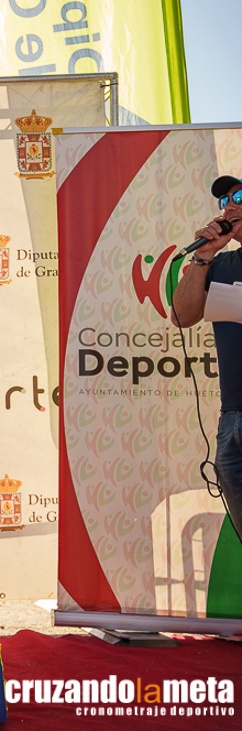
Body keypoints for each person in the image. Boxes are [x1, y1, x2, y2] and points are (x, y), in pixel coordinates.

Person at [170, 173, 242, 542]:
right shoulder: (221, 265)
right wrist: (203, 257)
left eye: (239, 197)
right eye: (224, 201)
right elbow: (182, 316)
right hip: (232, 418)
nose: (229, 207)